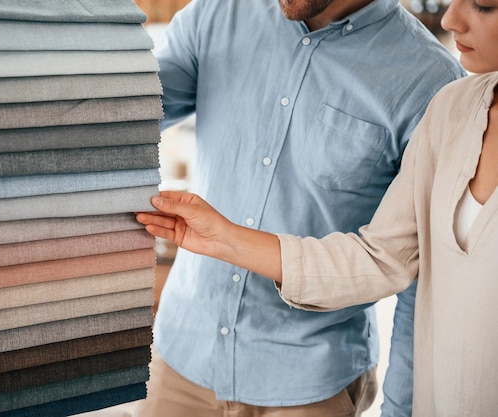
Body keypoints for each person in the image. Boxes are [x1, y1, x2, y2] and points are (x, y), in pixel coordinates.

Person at [136, 0, 498, 415]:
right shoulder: (219, 12)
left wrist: (401, 409)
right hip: (182, 358)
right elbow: (123, 112)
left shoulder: (429, 79)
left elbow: (414, 280)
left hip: (310, 383)